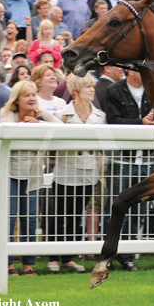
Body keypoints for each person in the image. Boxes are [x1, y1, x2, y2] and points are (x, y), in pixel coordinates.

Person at [0, 81, 61, 276]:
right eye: (27, 95)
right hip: (8, 171)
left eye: (33, 94)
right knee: (9, 218)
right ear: (17, 100)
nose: (32, 98)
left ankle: (28, 264)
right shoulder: (6, 113)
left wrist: (40, 123)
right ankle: (7, 265)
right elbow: (7, 130)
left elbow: (61, 127)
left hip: (33, 172)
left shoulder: (40, 113)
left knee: (30, 219)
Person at [47, 74, 106, 273]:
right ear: (75, 92)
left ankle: (68, 257)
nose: (92, 90)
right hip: (66, 169)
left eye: (93, 86)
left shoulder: (100, 116)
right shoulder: (62, 114)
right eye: (87, 87)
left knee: (75, 215)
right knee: (59, 214)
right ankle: (53, 257)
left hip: (89, 170)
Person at [103, 69, 154, 271]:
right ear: (131, 70)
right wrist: (141, 123)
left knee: (139, 207)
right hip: (121, 160)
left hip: (146, 160)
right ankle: (110, 253)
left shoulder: (153, 90)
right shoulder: (114, 90)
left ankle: (127, 255)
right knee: (115, 207)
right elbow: (113, 121)